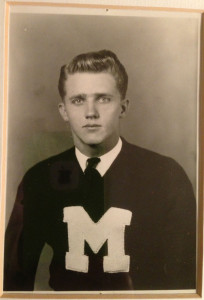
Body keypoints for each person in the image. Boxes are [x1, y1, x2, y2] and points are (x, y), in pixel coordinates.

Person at [4, 50, 196, 291]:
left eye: (103, 98)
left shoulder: (166, 176)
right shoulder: (39, 179)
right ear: (63, 110)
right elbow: (13, 281)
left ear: (123, 107)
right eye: (78, 100)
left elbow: (187, 280)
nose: (90, 112)